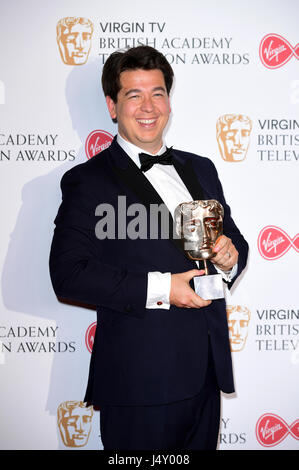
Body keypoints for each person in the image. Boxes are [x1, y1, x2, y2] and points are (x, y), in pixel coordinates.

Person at [49, 45, 248, 450]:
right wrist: (163, 289)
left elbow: (234, 240)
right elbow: (68, 274)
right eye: (133, 95)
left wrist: (230, 257)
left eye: (157, 93)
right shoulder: (88, 181)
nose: (148, 106)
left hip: (206, 373)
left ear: (169, 101)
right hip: (139, 380)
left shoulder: (201, 167)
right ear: (112, 105)